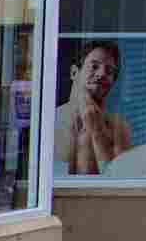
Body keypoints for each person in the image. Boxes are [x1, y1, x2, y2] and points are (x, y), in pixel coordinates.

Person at [54, 40, 135, 176]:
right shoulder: (50, 121)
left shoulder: (118, 127)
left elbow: (121, 183)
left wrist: (98, 131)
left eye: (109, 71)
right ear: (74, 72)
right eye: (94, 66)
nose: (102, 73)